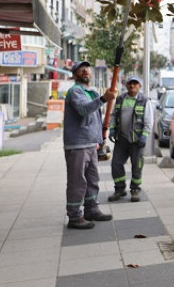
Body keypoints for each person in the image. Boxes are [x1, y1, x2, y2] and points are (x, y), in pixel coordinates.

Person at [63, 61, 117, 230]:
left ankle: (91, 209)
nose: (86, 70)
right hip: (77, 145)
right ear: (75, 74)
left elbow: (96, 119)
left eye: (87, 68)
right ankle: (74, 216)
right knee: (77, 181)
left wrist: (100, 141)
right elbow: (83, 110)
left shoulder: (90, 92)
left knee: (93, 180)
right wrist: (103, 99)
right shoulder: (75, 92)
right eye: (81, 68)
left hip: (91, 144)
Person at [107, 75, 152, 203]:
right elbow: (113, 115)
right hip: (121, 139)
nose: (132, 86)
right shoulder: (120, 99)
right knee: (116, 164)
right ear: (126, 85)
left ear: (139, 86)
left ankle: (135, 189)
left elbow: (148, 120)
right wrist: (112, 128)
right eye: (130, 84)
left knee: (136, 166)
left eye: (135, 84)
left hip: (137, 141)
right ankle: (119, 189)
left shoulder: (144, 101)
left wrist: (144, 135)